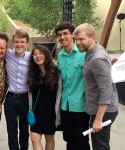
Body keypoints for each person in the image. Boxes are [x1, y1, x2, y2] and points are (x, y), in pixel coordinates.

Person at [74, 23, 119, 150]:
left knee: (100, 147)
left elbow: (106, 91)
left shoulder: (97, 58)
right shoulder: (95, 51)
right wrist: (108, 65)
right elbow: (100, 73)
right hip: (100, 109)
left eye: (81, 39)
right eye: (76, 39)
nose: (77, 43)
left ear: (91, 37)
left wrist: (98, 119)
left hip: (104, 111)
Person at [55, 21, 90, 150]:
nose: (62, 37)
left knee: (81, 141)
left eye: (65, 33)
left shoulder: (84, 53)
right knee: (69, 139)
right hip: (65, 106)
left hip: (81, 106)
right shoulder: (60, 56)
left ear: (73, 35)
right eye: (59, 35)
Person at [28, 45, 58, 150]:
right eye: (35, 54)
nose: (38, 56)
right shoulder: (32, 72)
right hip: (36, 112)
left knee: (49, 139)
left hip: (50, 113)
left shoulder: (56, 71)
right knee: (34, 138)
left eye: (40, 53)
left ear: (46, 55)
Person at [4, 29, 30, 150]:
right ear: (13, 43)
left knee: (24, 129)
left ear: (27, 43)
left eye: (22, 42)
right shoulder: (7, 54)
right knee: (11, 129)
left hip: (25, 98)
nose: (19, 44)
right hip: (10, 99)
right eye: (16, 42)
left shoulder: (32, 58)